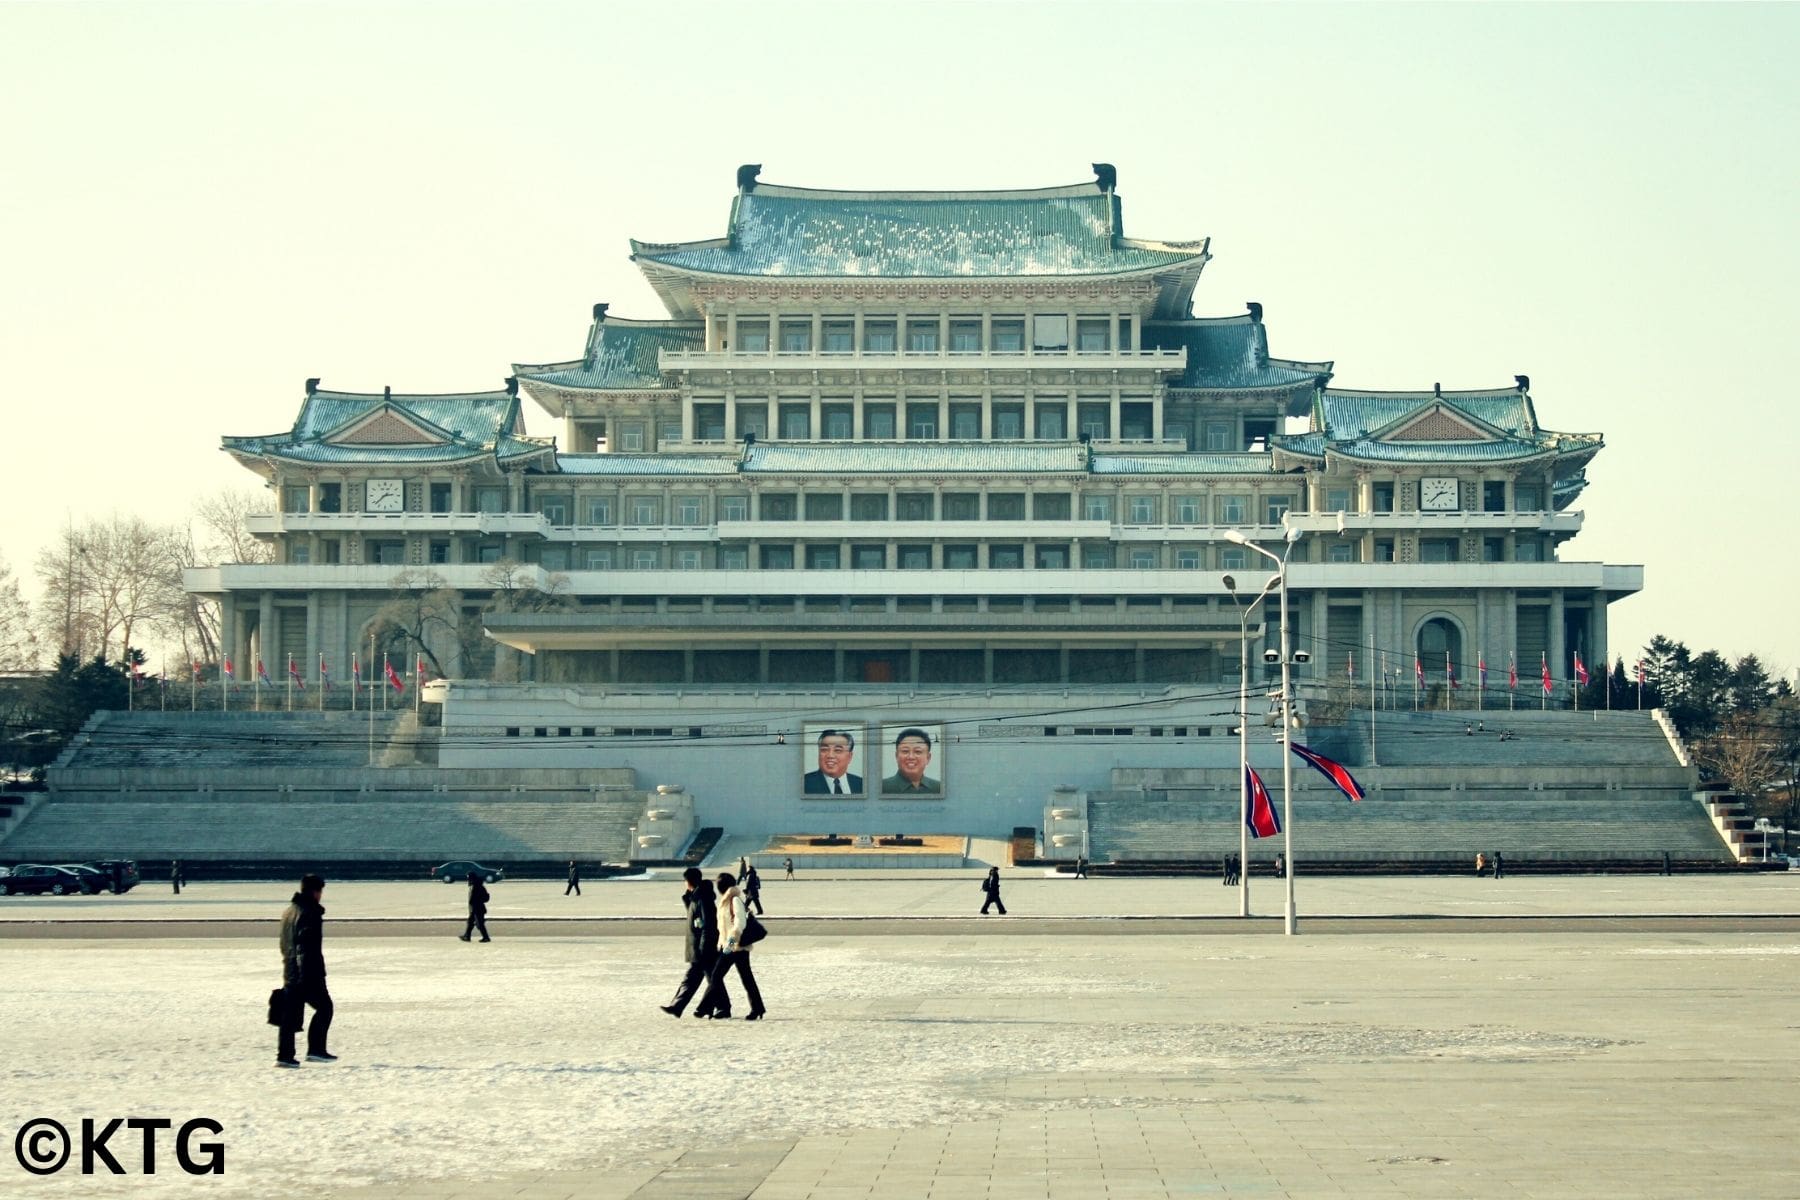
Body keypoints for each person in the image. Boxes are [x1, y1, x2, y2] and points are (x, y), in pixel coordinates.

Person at [276, 872, 334, 1067]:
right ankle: (316, 1050)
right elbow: (306, 946)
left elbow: (285, 943)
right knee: (325, 1008)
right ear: (315, 891)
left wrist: (291, 965)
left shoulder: (288, 911)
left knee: (289, 1015)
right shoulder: (310, 913)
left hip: (290, 969)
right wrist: (309, 972)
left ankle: (285, 1056)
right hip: (308, 971)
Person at [697, 871, 765, 1020]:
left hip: (735, 947)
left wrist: (731, 943)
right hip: (731, 946)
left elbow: (740, 924)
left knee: (716, 976)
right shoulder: (725, 901)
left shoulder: (734, 900)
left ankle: (704, 1007)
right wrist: (721, 943)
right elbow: (724, 926)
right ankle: (758, 1008)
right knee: (746, 978)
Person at [661, 867, 725, 1018]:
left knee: (710, 978)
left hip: (704, 946)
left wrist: (704, 946)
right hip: (699, 945)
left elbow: (708, 924)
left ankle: (723, 1007)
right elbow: (695, 916)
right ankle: (678, 1006)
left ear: (688, 881)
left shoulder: (703, 898)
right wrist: (687, 899)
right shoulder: (697, 897)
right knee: (699, 978)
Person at [802, 728, 864, 795]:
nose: (830, 755)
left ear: (849, 757)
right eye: (824, 750)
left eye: (838, 750)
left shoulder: (861, 784)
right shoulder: (803, 783)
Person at [882, 727, 942, 795]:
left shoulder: (939, 788)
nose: (911, 757)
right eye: (905, 751)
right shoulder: (882, 787)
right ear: (896, 756)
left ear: (928, 758)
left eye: (918, 751)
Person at [459, 871, 491, 942]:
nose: (467, 879)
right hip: (475, 908)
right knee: (470, 922)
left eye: (468, 877)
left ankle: (486, 937)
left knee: (479, 924)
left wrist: (475, 902)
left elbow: (479, 898)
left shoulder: (477, 886)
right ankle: (467, 936)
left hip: (478, 908)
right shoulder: (475, 885)